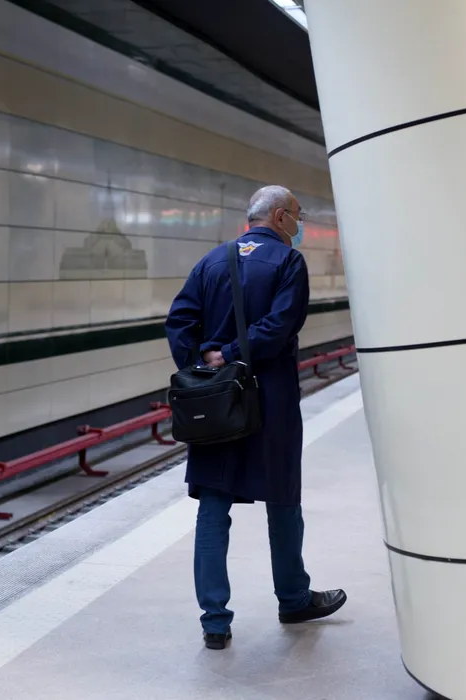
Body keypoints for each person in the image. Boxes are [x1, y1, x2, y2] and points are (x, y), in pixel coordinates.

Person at [165, 185, 347, 650]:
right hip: (271, 398)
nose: (300, 224)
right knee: (282, 499)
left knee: (213, 504)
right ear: (281, 216)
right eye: (298, 216)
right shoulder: (288, 262)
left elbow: (179, 320)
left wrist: (204, 365)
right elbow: (281, 324)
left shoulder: (212, 261)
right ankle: (293, 599)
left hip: (217, 401)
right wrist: (231, 355)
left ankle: (215, 622)